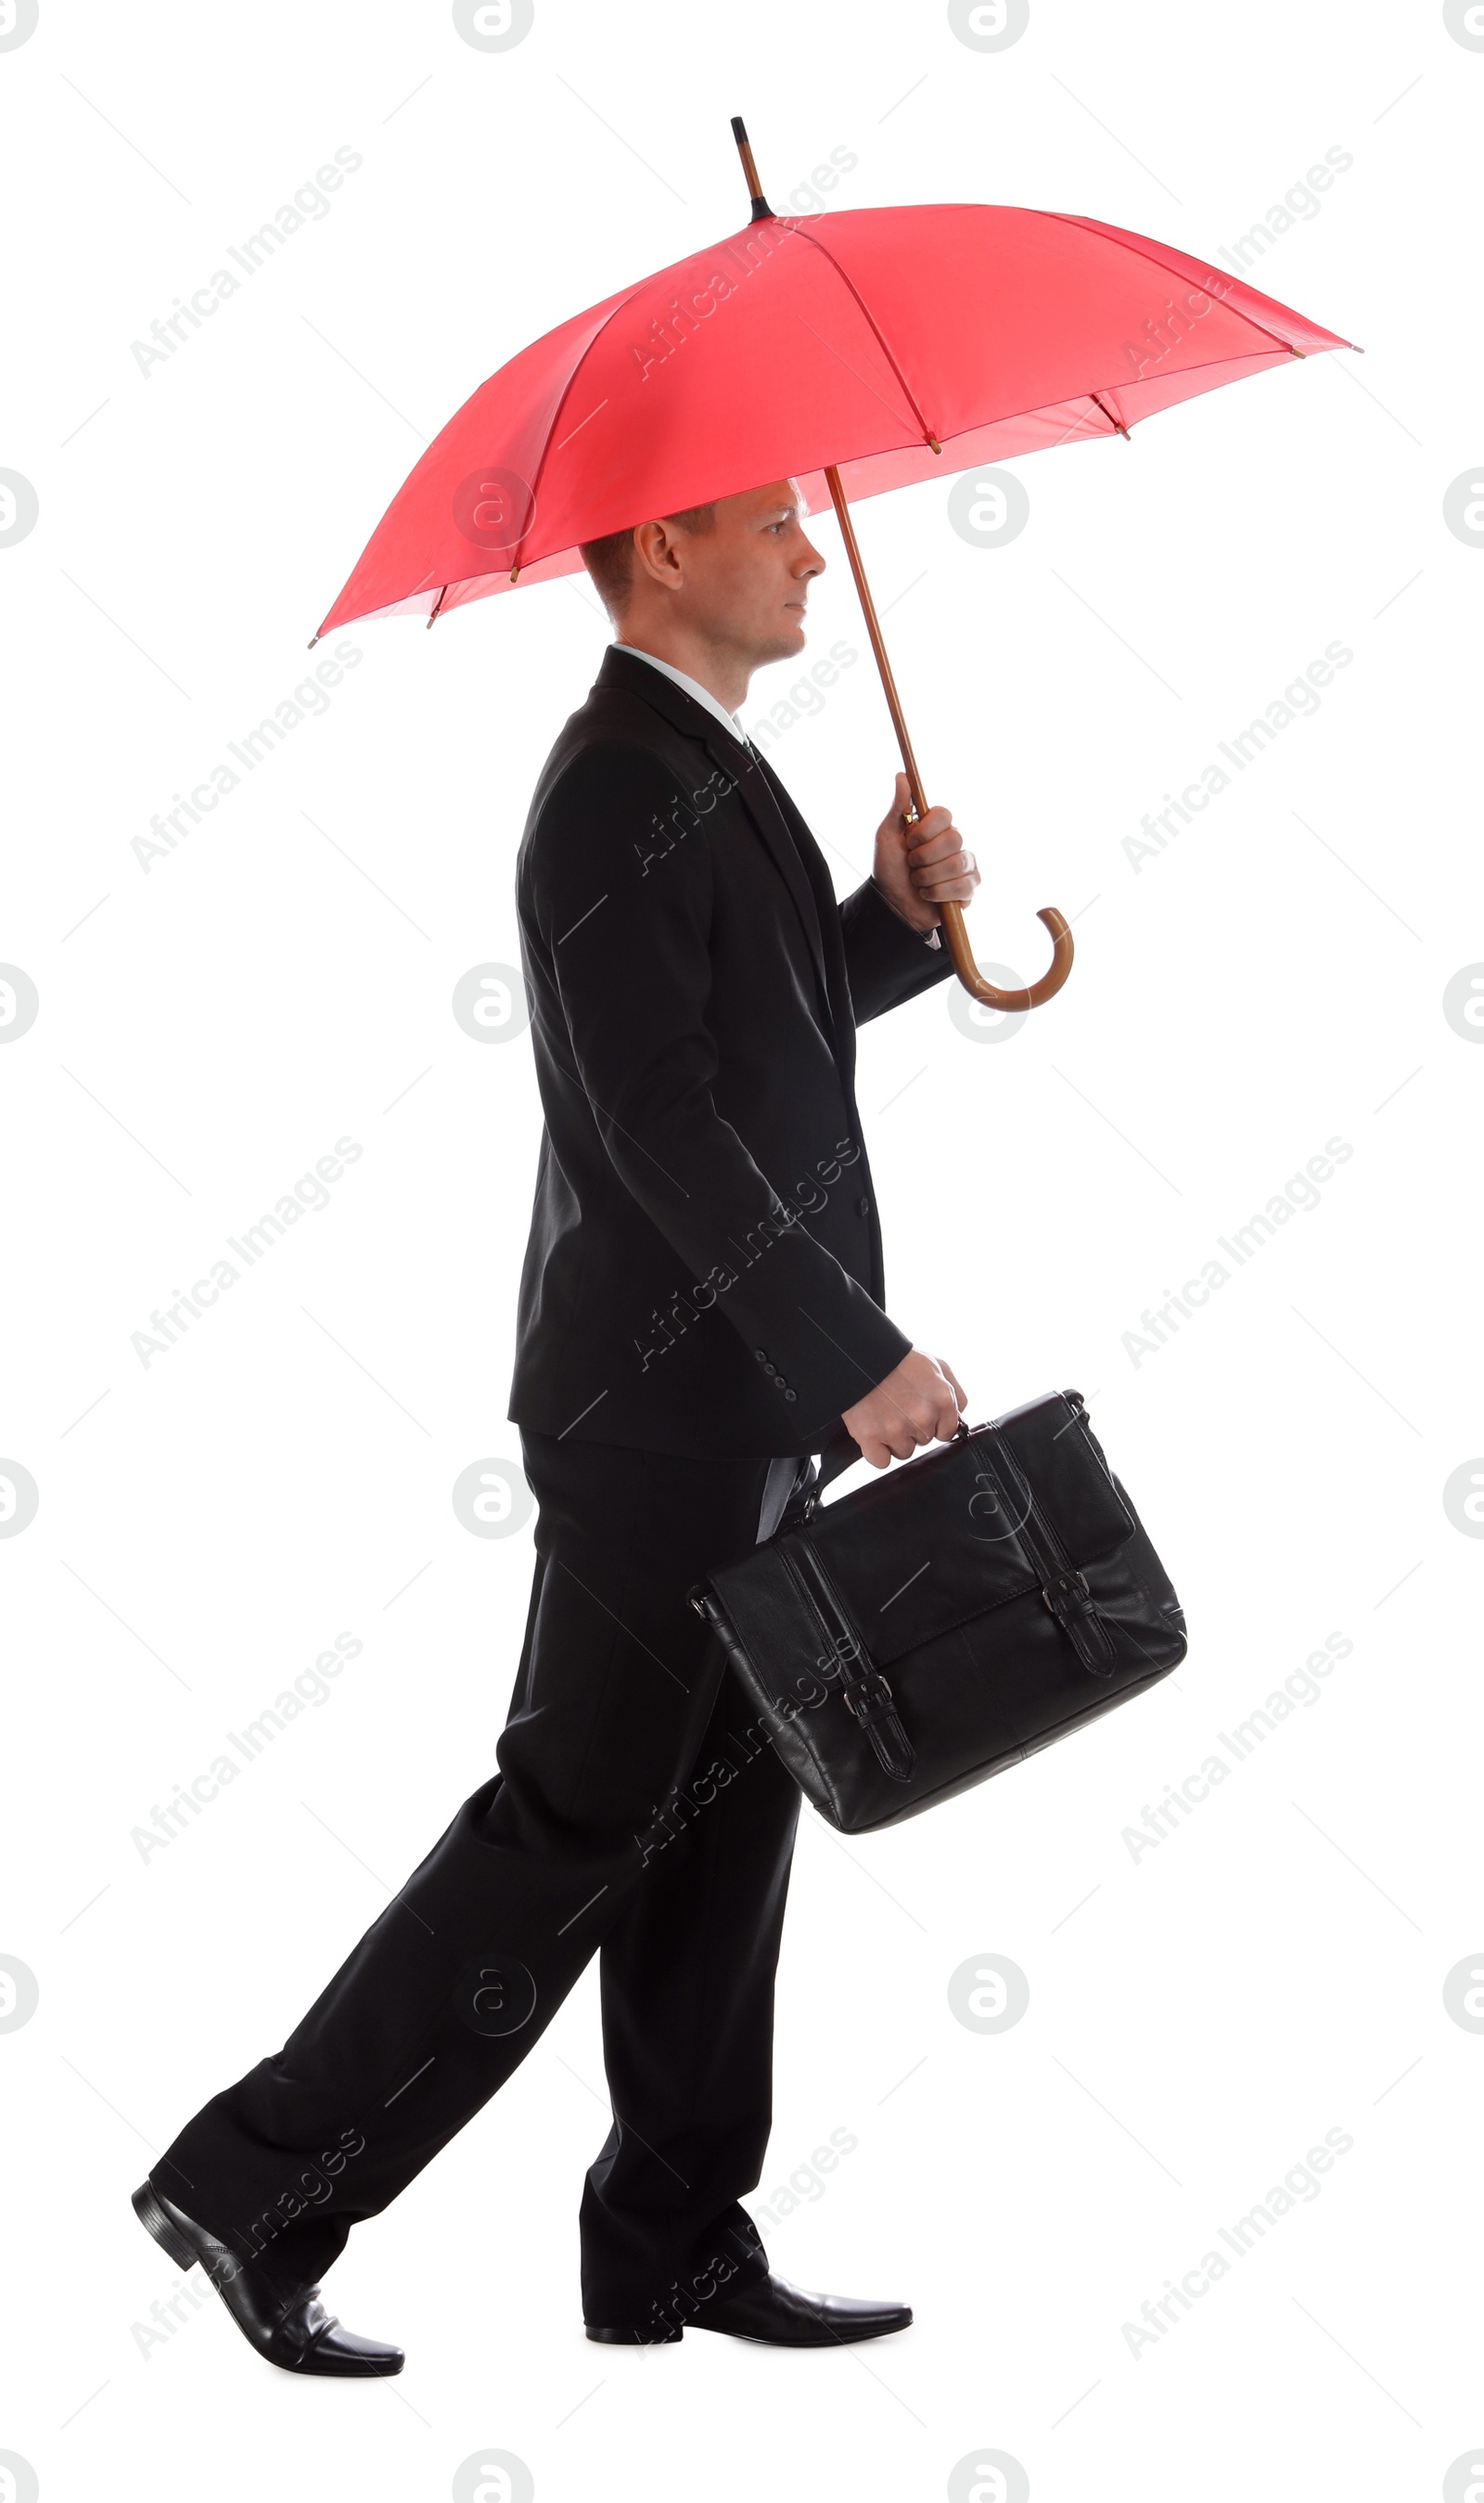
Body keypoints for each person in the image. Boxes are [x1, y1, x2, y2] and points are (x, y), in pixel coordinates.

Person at [132, 476, 979, 2371]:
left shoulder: (710, 763)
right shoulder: (609, 779)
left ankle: (670, 2236)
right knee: (574, 1824)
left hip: (745, 1405)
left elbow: (751, 1036)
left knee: (723, 1828)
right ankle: (256, 2181)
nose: (809, 551)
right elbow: (654, 1124)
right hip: (660, 1411)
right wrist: (853, 1347)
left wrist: (891, 923)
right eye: (772, 523)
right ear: (664, 550)